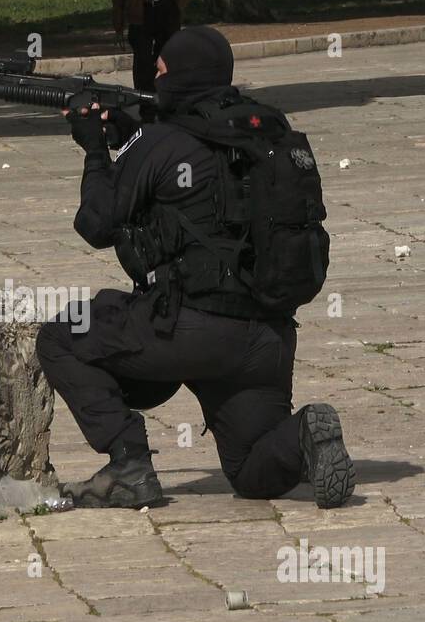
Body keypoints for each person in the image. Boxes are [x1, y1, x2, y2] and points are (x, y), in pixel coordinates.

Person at [35, 26, 356, 511]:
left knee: (60, 338)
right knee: (252, 471)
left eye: (160, 71)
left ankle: (129, 463)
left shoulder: (162, 142)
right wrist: (132, 133)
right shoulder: (262, 131)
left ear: (180, 75)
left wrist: (96, 150)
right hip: (263, 337)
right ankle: (306, 432)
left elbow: (96, 224)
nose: (154, 79)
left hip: (183, 329)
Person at [113, 0, 189, 94]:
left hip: (167, 8)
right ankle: (146, 106)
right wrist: (118, 22)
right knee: (143, 63)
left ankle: (166, 102)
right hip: (141, 11)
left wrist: (178, 6)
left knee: (168, 59)